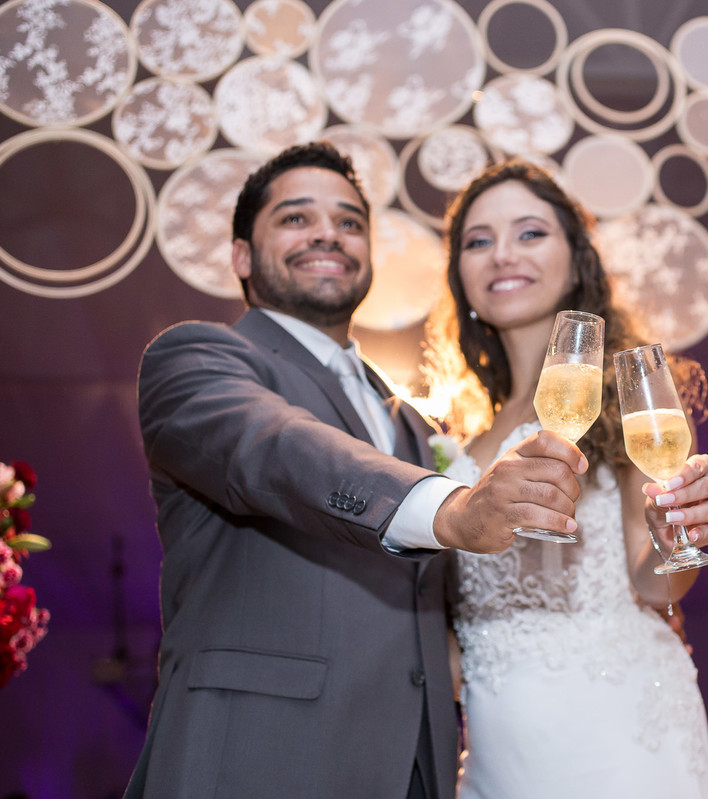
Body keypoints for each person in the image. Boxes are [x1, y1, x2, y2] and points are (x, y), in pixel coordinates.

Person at [125, 142, 589, 799]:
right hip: (257, 760)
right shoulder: (196, 361)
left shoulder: (415, 423)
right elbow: (275, 448)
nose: (327, 234)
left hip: (418, 769)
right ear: (241, 256)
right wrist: (451, 509)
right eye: (295, 218)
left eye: (348, 222)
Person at [423, 160, 708, 798]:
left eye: (530, 232)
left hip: (618, 729)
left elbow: (657, 586)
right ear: (460, 275)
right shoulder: (455, 443)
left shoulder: (628, 399)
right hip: (499, 746)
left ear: (576, 259)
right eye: (478, 241)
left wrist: (674, 537)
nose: (503, 254)